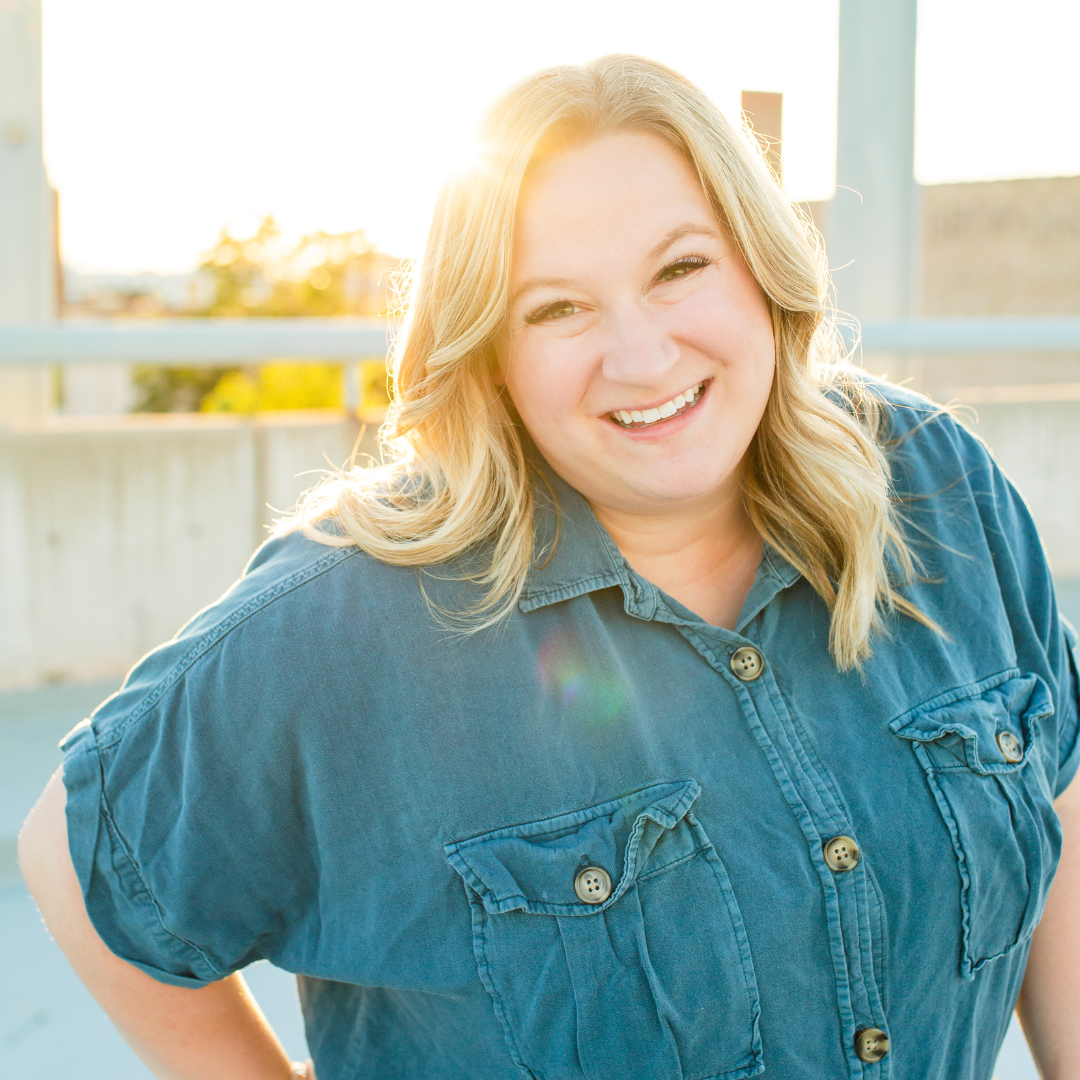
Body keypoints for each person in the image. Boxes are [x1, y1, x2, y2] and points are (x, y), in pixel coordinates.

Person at [18, 55, 1080, 1080]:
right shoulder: (354, 619)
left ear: (762, 267)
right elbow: (80, 858)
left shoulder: (934, 483)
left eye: (681, 268)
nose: (644, 356)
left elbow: (1055, 791)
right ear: (490, 352)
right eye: (556, 307)